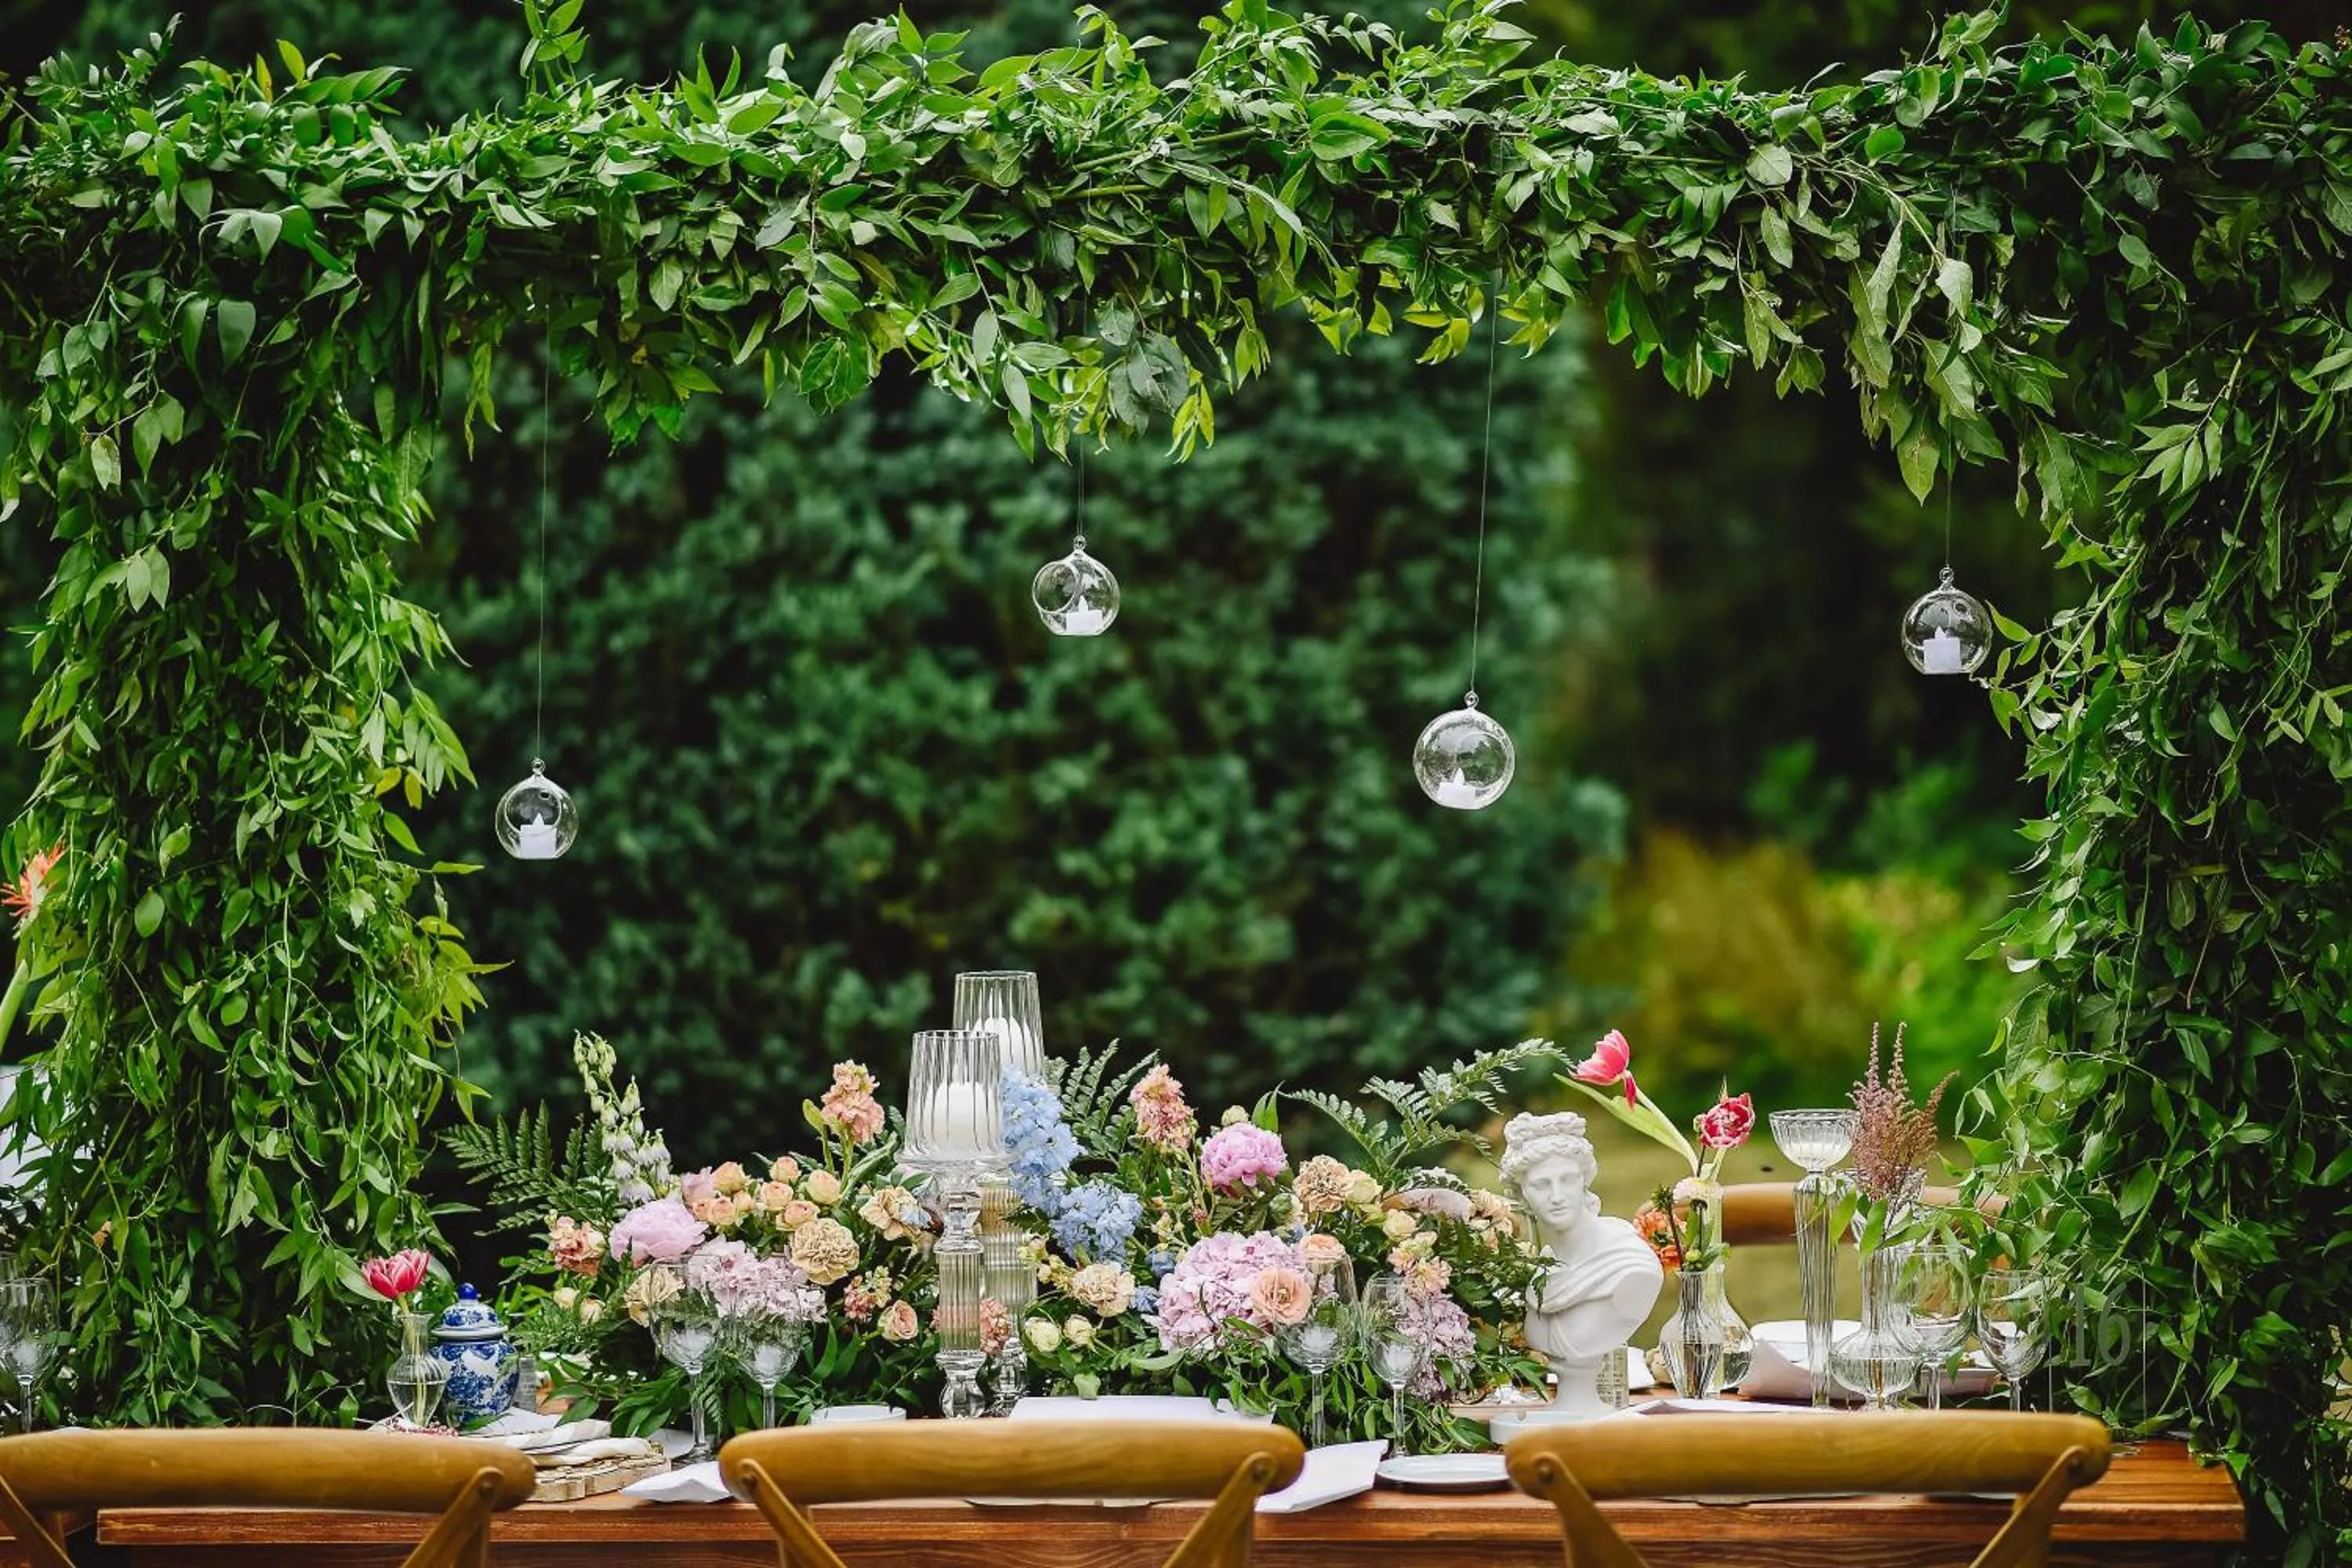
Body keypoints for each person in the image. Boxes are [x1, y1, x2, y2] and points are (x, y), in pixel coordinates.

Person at [1497, 1111, 1663, 1421]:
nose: (1557, 1196)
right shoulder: (1544, 1270)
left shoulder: (1630, 1266)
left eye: (1568, 1180)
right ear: (1522, 1194)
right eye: (1542, 1185)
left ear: (1584, 1181)